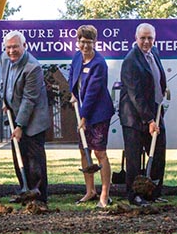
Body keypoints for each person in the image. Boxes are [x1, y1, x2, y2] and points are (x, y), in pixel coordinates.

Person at [119, 23, 167, 207]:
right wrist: (149, 120)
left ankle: (153, 193)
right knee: (134, 158)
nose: (146, 42)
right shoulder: (131, 60)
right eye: (143, 38)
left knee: (159, 153)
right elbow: (135, 95)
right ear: (136, 38)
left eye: (150, 38)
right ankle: (135, 196)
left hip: (154, 111)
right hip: (134, 117)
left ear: (154, 39)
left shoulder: (154, 53)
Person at [0, 31, 51, 204]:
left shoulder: (33, 67)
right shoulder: (5, 58)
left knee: (34, 158)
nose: (11, 51)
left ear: (24, 46)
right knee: (19, 156)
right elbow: (5, 82)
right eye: (8, 47)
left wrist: (20, 125)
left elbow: (29, 100)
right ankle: (25, 191)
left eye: (15, 47)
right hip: (15, 112)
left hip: (34, 118)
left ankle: (39, 196)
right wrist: (5, 100)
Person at [68, 25, 115, 208]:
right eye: (82, 42)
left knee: (99, 153)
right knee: (84, 151)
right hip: (82, 110)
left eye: (89, 42)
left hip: (98, 113)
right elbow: (73, 73)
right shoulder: (78, 57)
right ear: (77, 42)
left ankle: (104, 194)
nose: (85, 46)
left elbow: (93, 93)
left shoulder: (99, 64)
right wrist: (73, 93)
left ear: (95, 43)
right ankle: (90, 191)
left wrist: (84, 118)